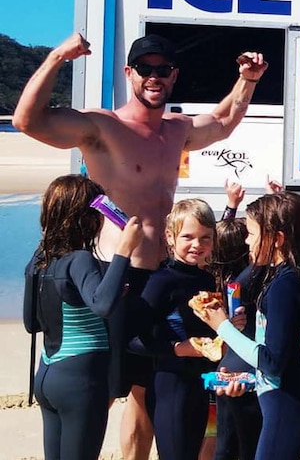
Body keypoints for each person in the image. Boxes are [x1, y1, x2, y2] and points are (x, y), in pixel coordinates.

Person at [12, 32, 268, 460]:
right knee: (117, 391)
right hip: (116, 280)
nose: (154, 77)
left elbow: (223, 121)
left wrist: (249, 79)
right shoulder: (101, 127)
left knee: (162, 381)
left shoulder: (176, 131)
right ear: (130, 73)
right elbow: (27, 121)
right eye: (145, 69)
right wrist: (57, 55)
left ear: (173, 76)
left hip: (165, 278)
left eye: (162, 70)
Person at [194, 192, 300, 460]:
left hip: (288, 406)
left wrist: (222, 326)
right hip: (289, 402)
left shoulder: (284, 287)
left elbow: (273, 362)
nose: (247, 240)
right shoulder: (288, 278)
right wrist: (245, 378)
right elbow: (284, 356)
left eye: (252, 233)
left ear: (277, 239)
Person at [23, 174, 143, 460]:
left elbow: (32, 322)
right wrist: (125, 249)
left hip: (47, 376)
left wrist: (102, 296)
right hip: (80, 381)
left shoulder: (39, 258)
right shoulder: (80, 259)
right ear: (86, 218)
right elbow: (102, 305)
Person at [133, 198, 245, 460]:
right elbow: (133, 339)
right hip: (171, 385)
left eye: (206, 238)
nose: (197, 245)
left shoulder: (206, 278)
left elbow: (209, 335)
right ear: (170, 238)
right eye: (188, 237)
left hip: (201, 383)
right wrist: (179, 348)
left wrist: (229, 328)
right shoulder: (160, 281)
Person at [211, 183, 263, 460]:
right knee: (248, 443)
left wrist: (230, 207)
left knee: (225, 440)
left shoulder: (216, 279)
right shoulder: (249, 280)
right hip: (244, 368)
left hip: (224, 366)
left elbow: (222, 239)